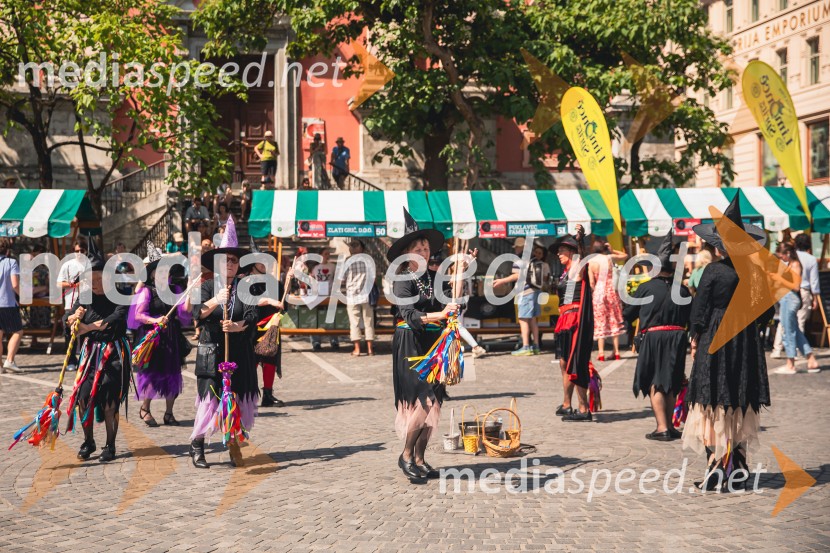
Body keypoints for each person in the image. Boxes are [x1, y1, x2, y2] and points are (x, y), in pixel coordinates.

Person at [683, 194, 772, 491]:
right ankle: (738, 465)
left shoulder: (713, 271)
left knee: (713, 399)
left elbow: (699, 311)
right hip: (745, 340)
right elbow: (767, 312)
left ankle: (715, 466)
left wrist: (695, 337)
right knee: (738, 396)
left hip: (716, 339)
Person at [389, 208, 460, 482]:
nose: (424, 251)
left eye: (426, 247)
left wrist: (452, 307)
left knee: (435, 401)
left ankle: (420, 458)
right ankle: (406, 455)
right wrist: (440, 315)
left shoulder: (433, 279)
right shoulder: (402, 279)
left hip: (435, 345)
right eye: (418, 247)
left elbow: (446, 307)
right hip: (411, 344)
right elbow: (409, 315)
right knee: (422, 399)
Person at [190, 216, 258, 469]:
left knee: (236, 399)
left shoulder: (245, 286)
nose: (229, 264)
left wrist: (237, 326)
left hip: (238, 352)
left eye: (233, 260)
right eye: (225, 260)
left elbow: (252, 315)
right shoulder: (207, 286)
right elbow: (197, 313)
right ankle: (197, 444)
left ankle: (232, 444)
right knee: (210, 399)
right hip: (212, 352)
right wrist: (215, 301)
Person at [64, 242, 131, 462]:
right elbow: (68, 318)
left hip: (113, 354)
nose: (94, 285)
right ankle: (88, 441)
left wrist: (87, 327)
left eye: (98, 280)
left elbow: (113, 320)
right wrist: (73, 319)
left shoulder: (120, 294)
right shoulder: (85, 297)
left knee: (110, 402)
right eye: (90, 281)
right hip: (90, 355)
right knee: (83, 397)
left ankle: (110, 445)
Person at [624, 232, 692, 441]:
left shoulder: (645, 288)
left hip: (654, 338)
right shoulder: (682, 289)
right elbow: (692, 315)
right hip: (678, 337)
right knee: (671, 381)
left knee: (656, 381)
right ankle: (669, 426)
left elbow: (627, 314)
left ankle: (662, 427)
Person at [129, 241, 192, 427]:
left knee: (173, 373)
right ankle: (145, 408)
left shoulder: (175, 290)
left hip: (171, 336)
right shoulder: (147, 291)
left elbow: (185, 310)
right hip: (152, 337)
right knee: (151, 374)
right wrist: (155, 320)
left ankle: (169, 413)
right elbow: (138, 315)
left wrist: (190, 291)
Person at [550, 226, 593, 421]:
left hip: (575, 319)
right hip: (564, 319)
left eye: (562, 250)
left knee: (576, 363)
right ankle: (567, 404)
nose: (559, 253)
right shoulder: (565, 272)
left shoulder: (577, 266)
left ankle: (584, 409)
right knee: (563, 363)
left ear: (572, 252)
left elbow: (583, 261)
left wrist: (580, 241)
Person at [242, 242, 288, 408]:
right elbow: (248, 303)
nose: (265, 265)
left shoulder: (276, 284)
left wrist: (278, 315)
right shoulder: (244, 282)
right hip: (251, 329)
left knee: (270, 360)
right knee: (250, 362)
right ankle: (247, 394)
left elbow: (284, 307)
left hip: (271, 329)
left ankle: (267, 394)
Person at [772, 242, 820, 374]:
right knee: (795, 331)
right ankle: (811, 359)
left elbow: (796, 286)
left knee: (788, 331)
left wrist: (779, 278)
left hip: (790, 299)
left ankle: (790, 363)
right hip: (787, 299)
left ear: (787, 253)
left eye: (782, 256)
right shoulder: (791, 264)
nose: (782, 259)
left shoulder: (795, 264)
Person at [493, 238, 547, 356]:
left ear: (521, 247)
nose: (516, 249)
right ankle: (536, 345)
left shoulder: (519, 259)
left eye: (517, 247)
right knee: (533, 319)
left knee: (523, 319)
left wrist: (502, 281)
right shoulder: (533, 259)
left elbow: (517, 275)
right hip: (536, 291)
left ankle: (526, 346)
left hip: (525, 292)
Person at [588, 240, 627, 361]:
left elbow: (591, 282)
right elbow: (625, 256)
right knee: (613, 320)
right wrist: (612, 249)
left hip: (599, 292)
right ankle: (616, 351)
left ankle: (601, 353)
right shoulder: (609, 258)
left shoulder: (591, 262)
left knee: (600, 321)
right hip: (611, 291)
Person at [58, 238, 88, 371]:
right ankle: (71, 360)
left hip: (87, 303)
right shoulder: (68, 264)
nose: (79, 253)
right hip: (71, 303)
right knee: (70, 333)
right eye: (77, 251)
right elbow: (59, 283)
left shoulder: (90, 264)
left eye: (82, 250)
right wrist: (72, 284)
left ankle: (84, 358)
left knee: (86, 331)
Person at [342, 240, 376, 356]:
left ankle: (357, 349)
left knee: (354, 322)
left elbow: (342, 278)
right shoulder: (369, 260)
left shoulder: (347, 261)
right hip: (366, 295)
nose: (352, 248)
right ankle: (370, 349)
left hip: (352, 295)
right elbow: (374, 278)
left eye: (353, 246)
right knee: (369, 322)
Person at [310, 247, 339, 351]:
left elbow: (338, 279)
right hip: (318, 296)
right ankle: (316, 342)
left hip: (330, 296)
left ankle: (334, 341)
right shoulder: (315, 267)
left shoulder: (332, 266)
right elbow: (312, 279)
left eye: (328, 254)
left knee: (331, 319)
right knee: (316, 320)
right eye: (326, 253)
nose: (328, 255)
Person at [0, 239, 22, 373]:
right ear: (7, 250)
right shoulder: (11, 262)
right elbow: (15, 284)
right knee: (18, 331)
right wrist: (23, 296)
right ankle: (10, 360)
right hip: (7, 302)